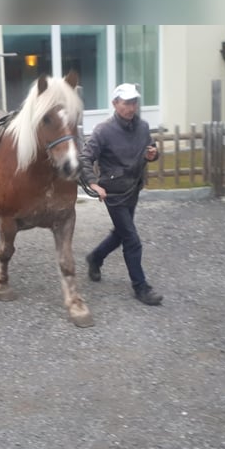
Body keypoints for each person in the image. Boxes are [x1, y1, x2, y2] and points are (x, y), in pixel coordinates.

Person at [78, 83, 163, 306]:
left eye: (134, 102)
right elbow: (85, 158)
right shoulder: (103, 130)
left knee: (121, 234)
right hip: (113, 193)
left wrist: (153, 154)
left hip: (133, 187)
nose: (131, 107)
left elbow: (150, 149)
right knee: (132, 240)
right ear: (115, 104)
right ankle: (140, 287)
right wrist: (93, 184)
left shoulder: (143, 127)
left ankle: (95, 257)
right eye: (126, 103)